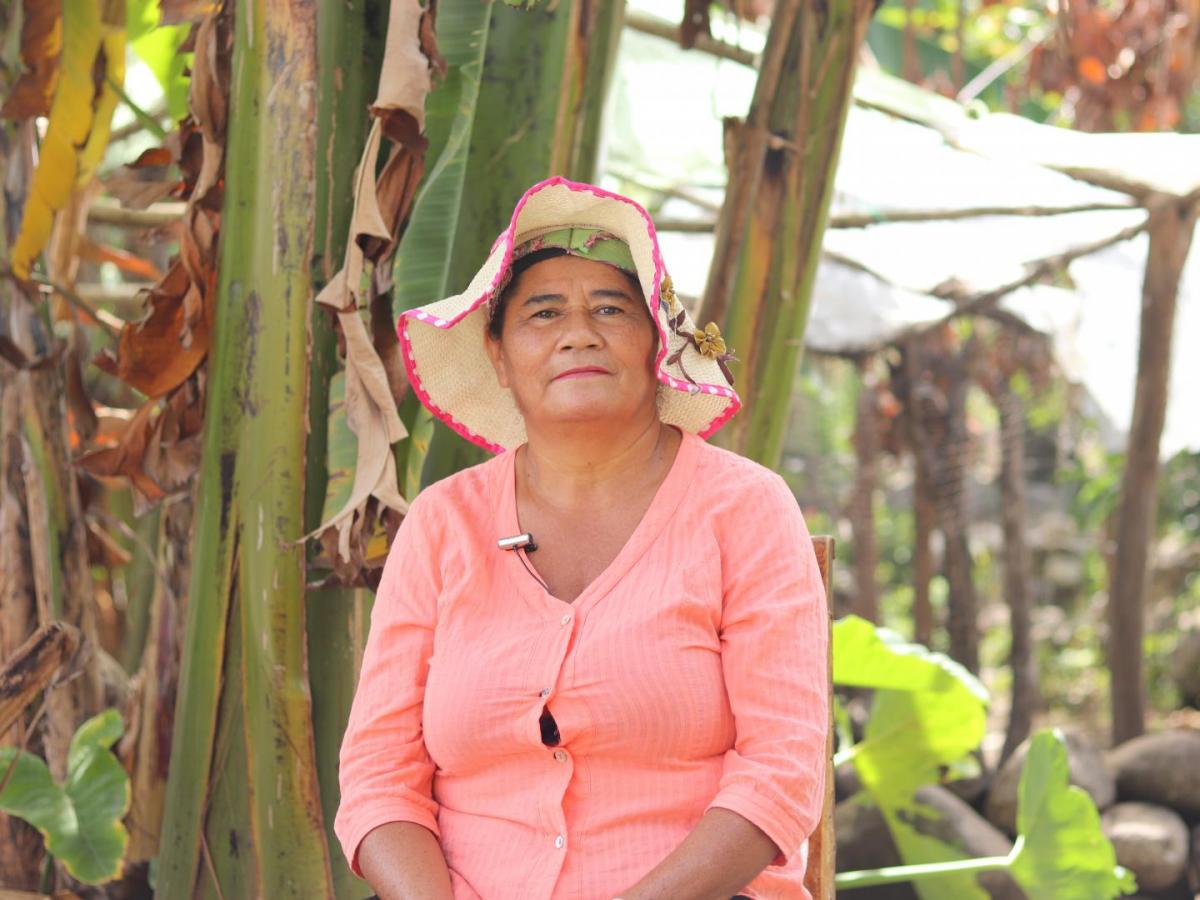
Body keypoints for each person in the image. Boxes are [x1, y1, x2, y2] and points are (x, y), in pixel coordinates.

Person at [335, 177, 829, 900]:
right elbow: (380, 775)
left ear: (658, 343)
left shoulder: (744, 510)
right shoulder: (443, 524)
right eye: (543, 313)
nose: (578, 332)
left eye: (609, 308)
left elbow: (781, 770)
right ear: (498, 357)